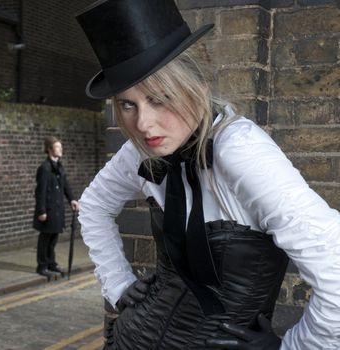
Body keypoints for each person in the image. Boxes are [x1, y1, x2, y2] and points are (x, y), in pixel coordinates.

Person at [75, 0, 340, 349]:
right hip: (132, 338)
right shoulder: (141, 149)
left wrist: (295, 347)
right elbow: (93, 205)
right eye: (128, 104)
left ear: (195, 87)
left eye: (160, 99)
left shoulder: (239, 151)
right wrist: (117, 282)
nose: (142, 124)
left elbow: (334, 265)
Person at [33, 136, 79, 278]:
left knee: (53, 238)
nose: (61, 149)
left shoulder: (59, 166)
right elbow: (40, 191)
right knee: (45, 238)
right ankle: (42, 266)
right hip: (47, 210)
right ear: (49, 149)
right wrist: (41, 211)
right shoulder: (45, 168)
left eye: (60, 147)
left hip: (57, 210)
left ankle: (51, 262)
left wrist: (72, 199)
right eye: (58, 147)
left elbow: (65, 185)